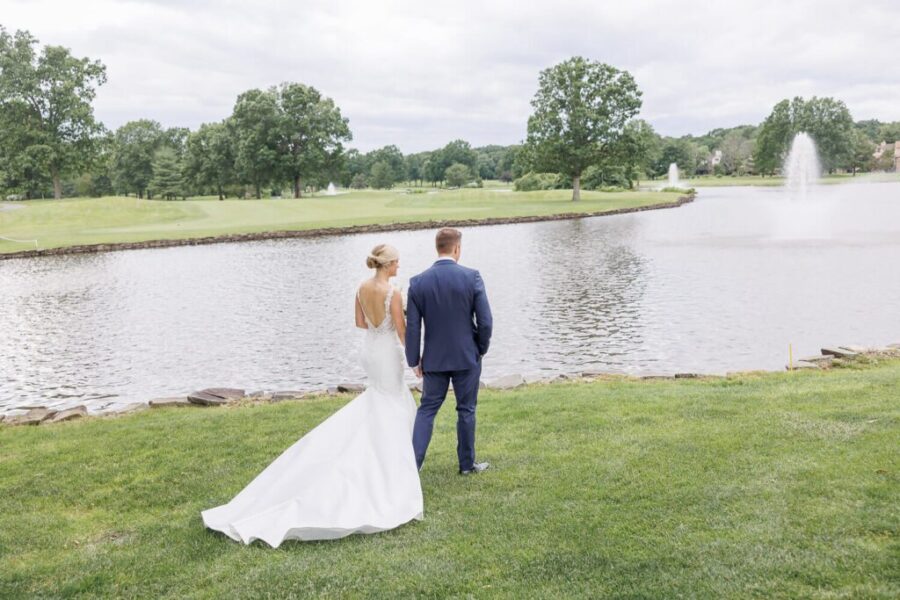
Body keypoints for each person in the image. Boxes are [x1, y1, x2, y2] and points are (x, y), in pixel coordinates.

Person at [201, 244, 423, 547]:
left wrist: (379, 326)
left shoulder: (361, 287)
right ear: (389, 265)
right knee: (391, 403)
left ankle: (384, 457)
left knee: (379, 400)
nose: (399, 267)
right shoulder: (392, 293)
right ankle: (387, 469)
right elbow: (401, 330)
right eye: (397, 263)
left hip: (370, 351)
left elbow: (360, 323)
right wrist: (417, 361)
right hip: (386, 352)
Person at [406, 228, 493, 474]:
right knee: (466, 409)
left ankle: (412, 467)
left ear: (438, 248)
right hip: (467, 356)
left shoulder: (418, 282)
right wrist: (481, 349)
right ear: (457, 249)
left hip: (434, 359)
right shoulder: (471, 277)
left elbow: (413, 327)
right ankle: (467, 465)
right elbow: (485, 321)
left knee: (427, 410)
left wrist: (413, 360)